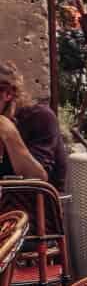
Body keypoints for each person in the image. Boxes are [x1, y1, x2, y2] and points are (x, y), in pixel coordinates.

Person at [0, 62, 66, 190]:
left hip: (36, 205)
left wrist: (10, 135)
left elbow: (36, 179)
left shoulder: (39, 118)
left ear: (7, 94)